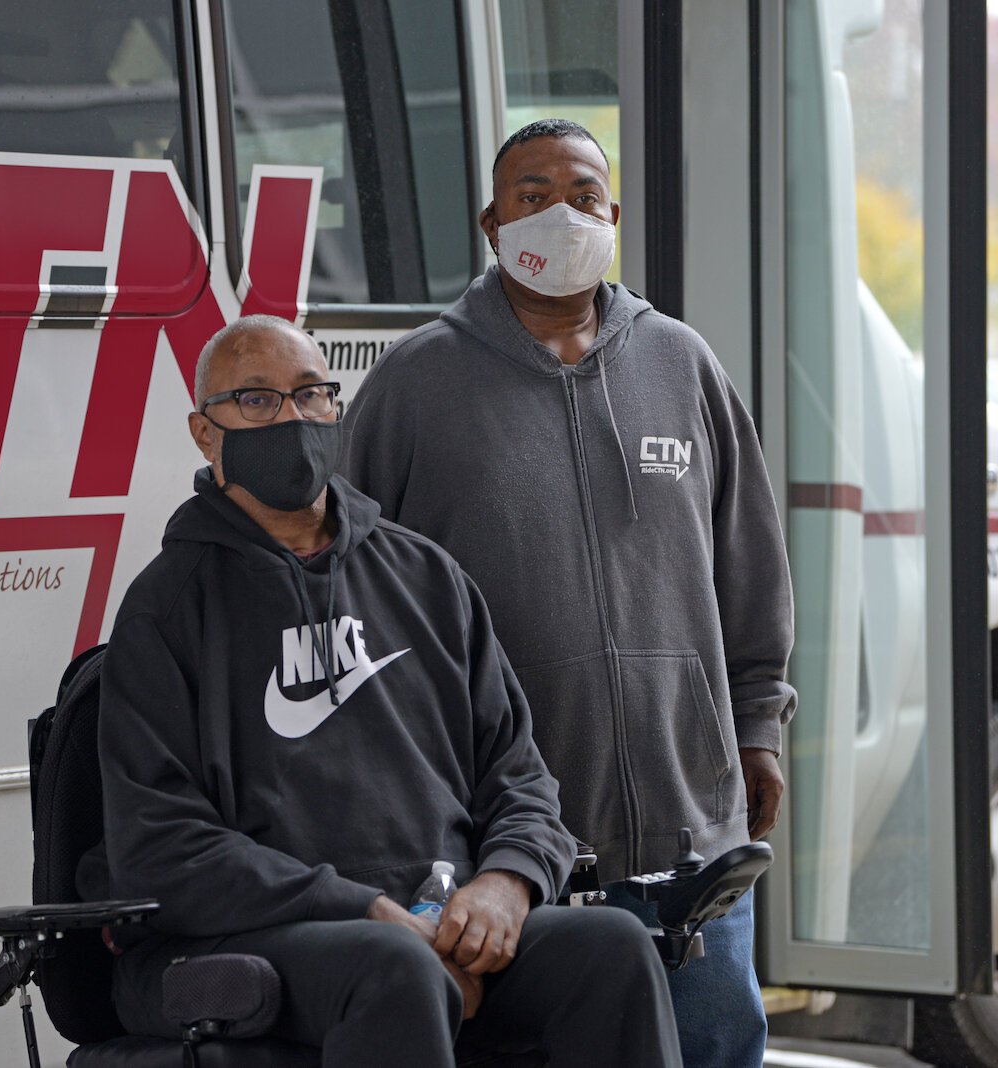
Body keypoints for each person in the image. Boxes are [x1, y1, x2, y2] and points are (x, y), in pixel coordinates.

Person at [87, 314, 682, 1067]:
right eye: (257, 402)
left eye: (310, 396)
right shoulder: (167, 608)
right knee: (393, 969)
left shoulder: (426, 577)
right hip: (244, 942)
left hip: (438, 915)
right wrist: (363, 910)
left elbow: (520, 777)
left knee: (612, 946)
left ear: (336, 410)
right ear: (206, 434)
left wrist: (506, 882)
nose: (292, 419)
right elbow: (160, 851)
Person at [342, 119, 796, 1067]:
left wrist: (758, 727)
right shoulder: (415, 385)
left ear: (614, 216)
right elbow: (353, 602)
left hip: (695, 841)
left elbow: (749, 566)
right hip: (515, 855)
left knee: (719, 1048)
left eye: (584, 194)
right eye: (532, 192)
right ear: (491, 224)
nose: (562, 210)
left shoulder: (683, 364)